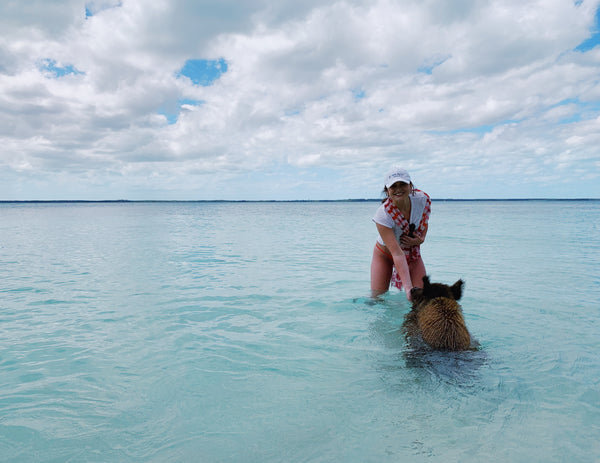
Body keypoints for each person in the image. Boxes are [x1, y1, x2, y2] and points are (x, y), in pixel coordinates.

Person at [371, 167, 431, 300]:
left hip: (413, 254)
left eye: (402, 184)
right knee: (377, 300)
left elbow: (424, 222)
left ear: (410, 186)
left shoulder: (422, 199)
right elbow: (397, 253)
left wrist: (421, 239)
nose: (398, 189)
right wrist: (408, 289)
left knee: (422, 298)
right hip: (385, 255)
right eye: (393, 186)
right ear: (387, 191)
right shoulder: (382, 215)